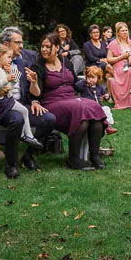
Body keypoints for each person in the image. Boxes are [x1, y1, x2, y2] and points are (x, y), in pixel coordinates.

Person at [0, 27, 54, 172]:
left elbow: (30, 91)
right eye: (17, 42)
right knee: (17, 119)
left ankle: (28, 156)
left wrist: (34, 97)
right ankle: (11, 165)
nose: (21, 46)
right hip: (0, 106)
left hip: (19, 103)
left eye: (22, 42)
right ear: (6, 44)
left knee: (48, 119)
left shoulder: (22, 63)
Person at [30, 33, 108, 171]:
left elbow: (75, 84)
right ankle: (73, 158)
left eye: (48, 47)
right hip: (51, 102)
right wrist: (34, 94)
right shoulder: (38, 66)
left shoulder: (66, 62)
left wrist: (87, 84)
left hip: (70, 98)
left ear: (57, 47)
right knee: (80, 109)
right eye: (42, 46)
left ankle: (94, 156)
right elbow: (36, 92)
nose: (44, 49)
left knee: (93, 106)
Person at [0, 46, 44, 149]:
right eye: (8, 57)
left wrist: (11, 77)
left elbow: (9, 85)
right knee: (23, 111)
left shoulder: (2, 69)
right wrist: (6, 79)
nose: (10, 60)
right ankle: (26, 136)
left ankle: (28, 135)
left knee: (24, 110)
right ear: (0, 56)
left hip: (6, 99)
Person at [77, 66, 116, 133]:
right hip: (88, 106)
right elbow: (77, 86)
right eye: (88, 77)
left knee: (106, 109)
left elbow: (105, 95)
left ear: (98, 78)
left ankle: (108, 126)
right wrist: (85, 81)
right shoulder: (84, 86)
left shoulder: (99, 87)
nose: (90, 79)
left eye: (92, 77)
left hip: (98, 106)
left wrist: (106, 96)